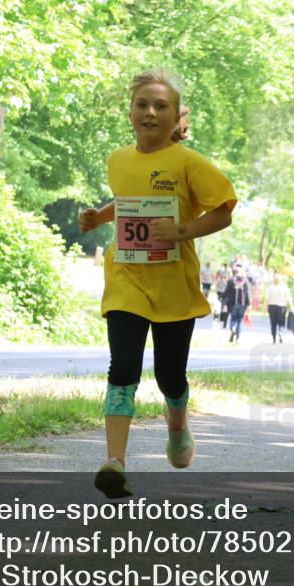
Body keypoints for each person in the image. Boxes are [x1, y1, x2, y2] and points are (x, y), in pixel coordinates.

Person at [78, 70, 236, 499]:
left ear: (174, 117)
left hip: (174, 289)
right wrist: (100, 217)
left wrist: (183, 232)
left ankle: (178, 422)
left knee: (170, 375)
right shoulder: (117, 159)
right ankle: (115, 461)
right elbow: (130, 204)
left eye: (160, 106)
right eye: (142, 104)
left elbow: (224, 210)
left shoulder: (188, 163)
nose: (150, 112)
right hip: (127, 280)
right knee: (123, 367)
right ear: (130, 112)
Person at [222, 266, 251, 343]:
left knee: (233, 318)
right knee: (239, 320)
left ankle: (233, 329)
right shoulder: (245, 282)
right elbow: (247, 294)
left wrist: (224, 302)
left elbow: (226, 292)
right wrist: (248, 304)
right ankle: (238, 338)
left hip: (233, 304)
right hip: (242, 305)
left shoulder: (231, 281)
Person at [264, 273, 293, 343]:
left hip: (272, 307)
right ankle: (280, 333)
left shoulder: (270, 288)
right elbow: (289, 299)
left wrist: (264, 309)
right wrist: (292, 308)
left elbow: (267, 300)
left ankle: (274, 339)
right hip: (282, 307)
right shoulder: (284, 287)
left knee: (273, 324)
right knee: (281, 322)